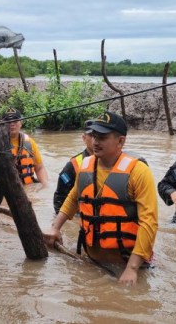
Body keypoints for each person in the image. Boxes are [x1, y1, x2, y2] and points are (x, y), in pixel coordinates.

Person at [44, 111, 158, 286]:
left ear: (121, 141)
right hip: (90, 259)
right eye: (94, 136)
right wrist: (55, 227)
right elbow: (74, 198)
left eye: (102, 137)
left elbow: (149, 222)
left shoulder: (139, 172)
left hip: (128, 263)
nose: (95, 142)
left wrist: (132, 268)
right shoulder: (85, 165)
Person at [0, 108, 49, 189]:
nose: (12, 124)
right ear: (2, 124)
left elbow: (40, 168)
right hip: (2, 192)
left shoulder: (30, 143)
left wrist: (45, 186)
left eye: (15, 120)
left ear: (21, 123)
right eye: (8, 121)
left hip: (28, 189)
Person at [53, 120, 95, 213]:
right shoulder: (73, 165)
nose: (95, 139)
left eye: (99, 135)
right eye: (91, 135)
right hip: (80, 216)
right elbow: (60, 198)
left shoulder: (111, 161)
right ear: (84, 138)